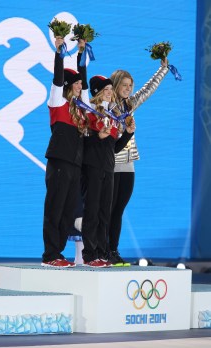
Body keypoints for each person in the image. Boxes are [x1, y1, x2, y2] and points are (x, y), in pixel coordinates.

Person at [108, 58, 169, 266]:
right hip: (111, 163)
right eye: (124, 85)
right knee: (108, 209)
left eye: (129, 85)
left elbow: (148, 89)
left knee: (119, 210)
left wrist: (163, 69)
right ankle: (102, 250)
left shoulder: (130, 105)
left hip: (129, 164)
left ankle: (113, 251)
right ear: (115, 85)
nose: (128, 88)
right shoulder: (107, 106)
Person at [41, 37, 90, 268]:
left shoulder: (81, 110)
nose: (81, 86)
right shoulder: (57, 102)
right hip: (59, 161)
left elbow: (86, 85)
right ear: (69, 85)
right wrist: (59, 50)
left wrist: (81, 53)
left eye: (81, 83)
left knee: (69, 212)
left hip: (75, 165)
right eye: (77, 83)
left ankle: (58, 254)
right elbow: (57, 79)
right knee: (55, 208)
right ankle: (50, 254)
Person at [81, 75, 136, 267]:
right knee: (92, 212)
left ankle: (103, 254)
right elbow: (84, 143)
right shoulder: (89, 113)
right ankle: (89, 254)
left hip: (108, 168)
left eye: (111, 89)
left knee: (105, 212)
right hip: (92, 168)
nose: (110, 92)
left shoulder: (112, 116)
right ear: (96, 92)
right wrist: (98, 137)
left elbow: (114, 147)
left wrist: (128, 133)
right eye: (106, 89)